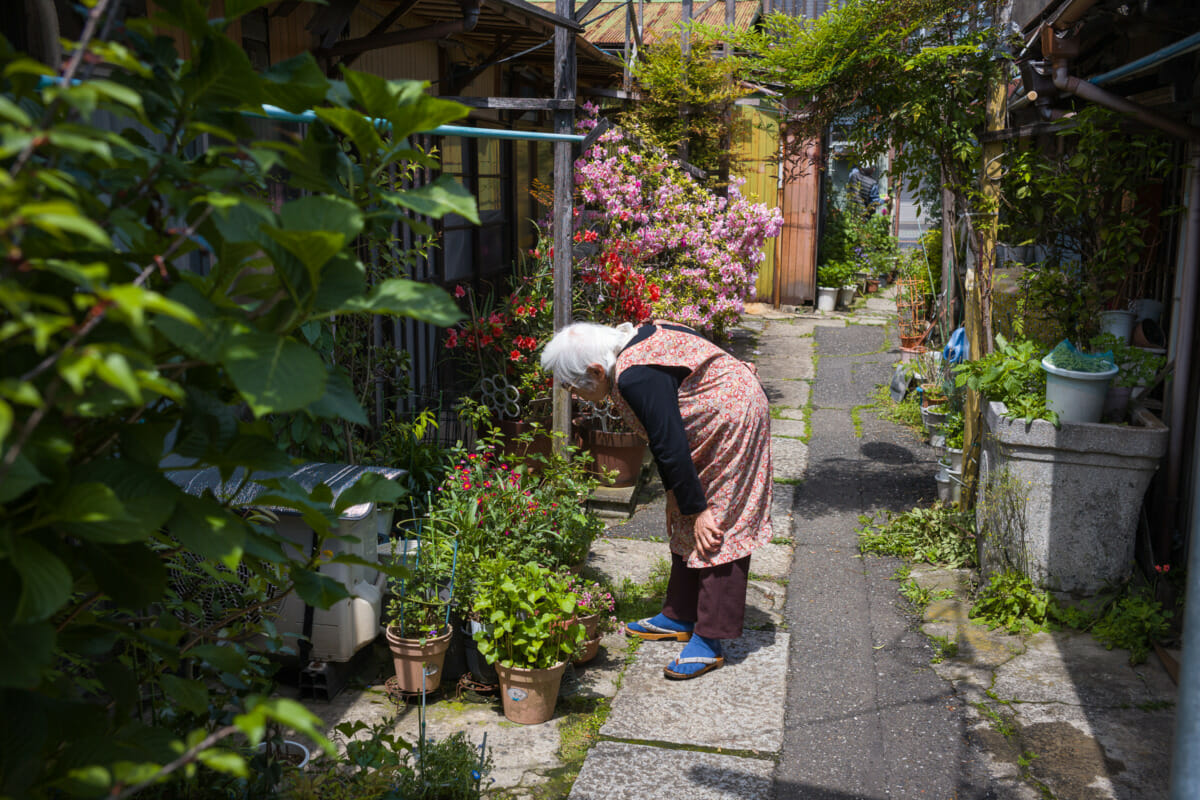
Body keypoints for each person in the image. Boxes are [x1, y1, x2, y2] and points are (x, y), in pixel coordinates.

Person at [541, 321, 773, 680]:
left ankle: (710, 639)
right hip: (711, 415)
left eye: (573, 386)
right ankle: (679, 614)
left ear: (596, 371)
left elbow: (669, 444)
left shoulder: (635, 376)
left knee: (717, 524)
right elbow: (667, 437)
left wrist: (697, 509)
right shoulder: (634, 339)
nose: (573, 395)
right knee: (685, 506)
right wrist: (674, 496)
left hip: (735, 416)